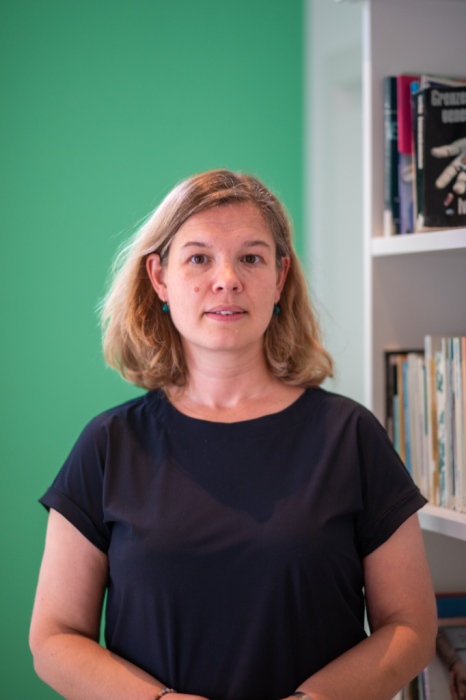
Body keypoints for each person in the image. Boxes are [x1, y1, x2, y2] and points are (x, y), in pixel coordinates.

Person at [30, 169, 437, 700]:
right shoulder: (108, 445)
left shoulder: (351, 437)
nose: (227, 279)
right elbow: (55, 638)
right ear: (160, 277)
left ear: (280, 277)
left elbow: (410, 626)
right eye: (199, 258)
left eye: (251, 258)